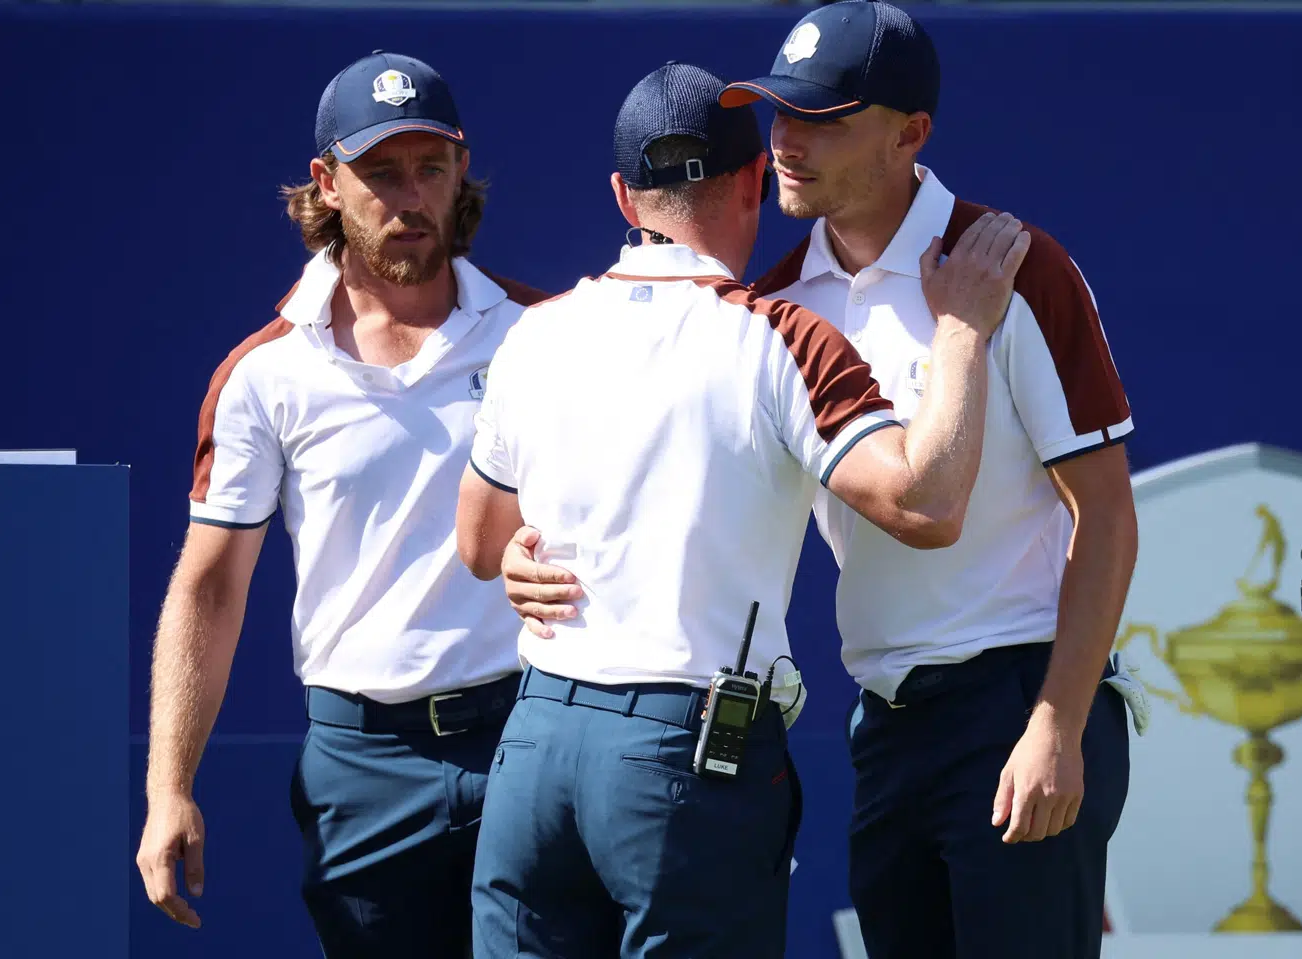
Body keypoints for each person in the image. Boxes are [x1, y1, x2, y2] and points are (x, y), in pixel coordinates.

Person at [500, 5, 1141, 958]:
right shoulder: (783, 297)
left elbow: (1110, 520)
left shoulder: (1013, 268)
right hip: (884, 722)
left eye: (824, 119)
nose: (787, 144)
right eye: (780, 114)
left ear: (910, 133)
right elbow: (687, 468)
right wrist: (530, 542)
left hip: (1021, 699)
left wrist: (1058, 723)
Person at [134, 50, 546, 957]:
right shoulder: (265, 374)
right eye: (381, 173)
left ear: (460, 172)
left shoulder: (541, 336)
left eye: (430, 168)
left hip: (533, 735)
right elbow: (209, 588)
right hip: (363, 767)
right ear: (327, 183)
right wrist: (170, 785)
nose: (410, 197)